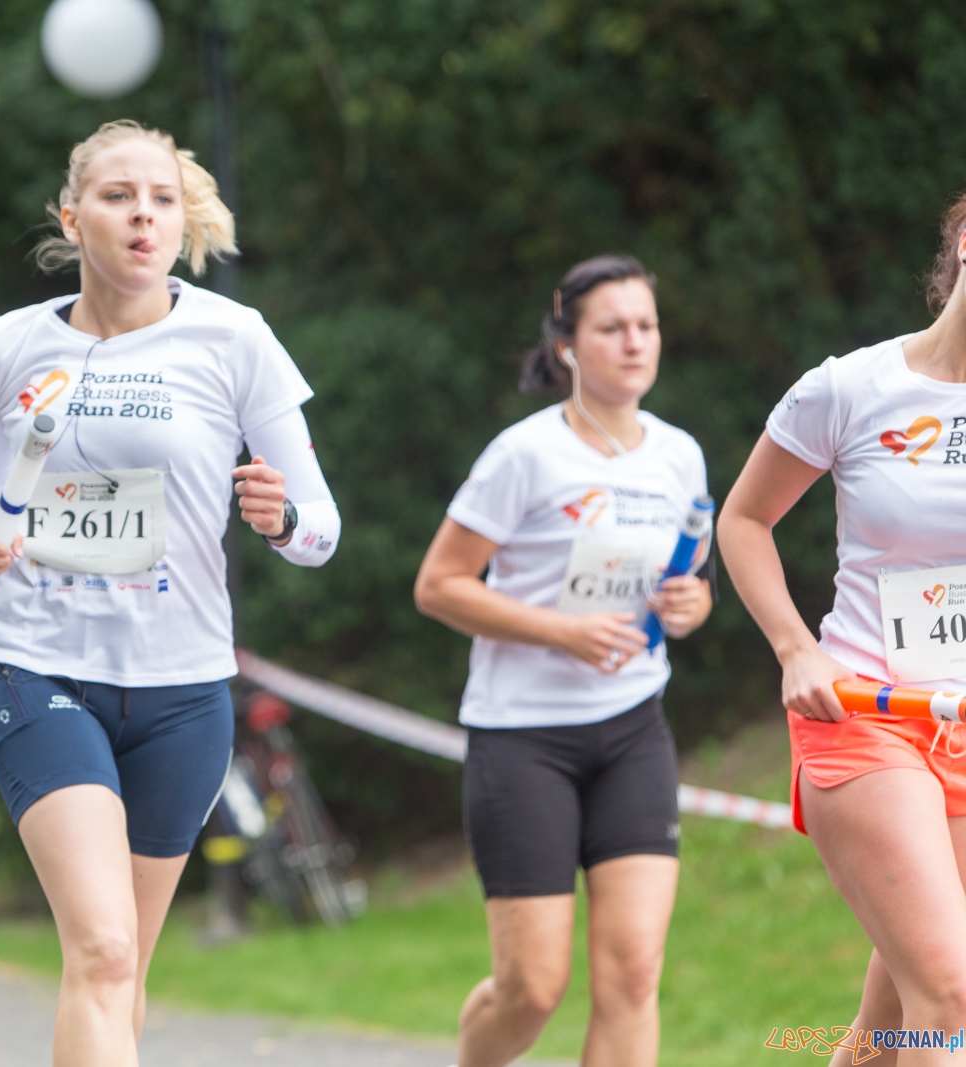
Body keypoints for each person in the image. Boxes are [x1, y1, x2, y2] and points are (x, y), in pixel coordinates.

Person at [0, 119, 339, 1067]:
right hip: (36, 665)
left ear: (182, 216)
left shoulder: (234, 339)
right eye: (119, 196)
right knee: (104, 947)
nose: (143, 215)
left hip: (181, 689)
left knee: (124, 969)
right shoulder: (7, 346)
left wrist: (281, 518)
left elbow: (322, 529)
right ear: (73, 217)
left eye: (161, 198)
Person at [414, 255, 712, 1067]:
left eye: (645, 326)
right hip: (524, 738)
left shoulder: (680, 456)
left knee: (632, 975)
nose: (633, 343)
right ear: (569, 344)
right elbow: (439, 585)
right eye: (611, 328)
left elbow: (686, 579)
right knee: (533, 987)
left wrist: (693, 604)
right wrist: (561, 631)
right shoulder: (524, 454)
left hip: (632, 732)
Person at [718, 191, 966, 1067]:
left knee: (886, 1025)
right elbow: (742, 522)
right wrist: (795, 648)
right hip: (862, 710)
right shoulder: (852, 386)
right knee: (953, 991)